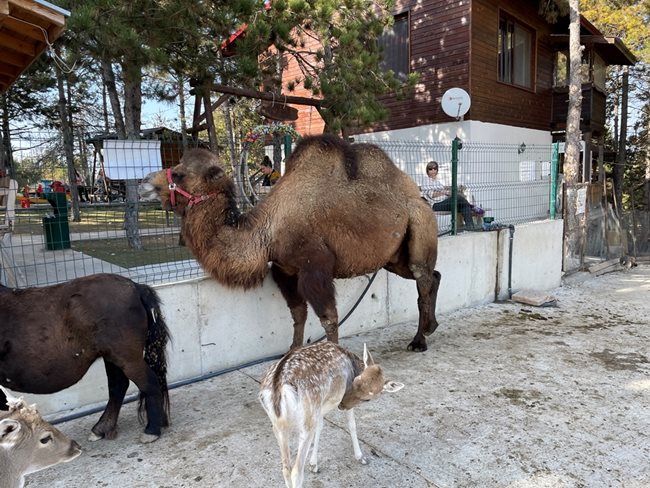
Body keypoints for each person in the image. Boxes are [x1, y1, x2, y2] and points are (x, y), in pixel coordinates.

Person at [421, 160, 475, 230]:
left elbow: (443, 191)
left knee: (463, 205)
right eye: (430, 169)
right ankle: (472, 209)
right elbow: (432, 195)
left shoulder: (437, 182)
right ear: (427, 171)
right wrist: (444, 193)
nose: (433, 171)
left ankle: (470, 228)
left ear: (437, 170)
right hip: (436, 205)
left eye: (435, 169)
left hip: (444, 202)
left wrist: (448, 193)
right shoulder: (426, 181)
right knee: (458, 198)